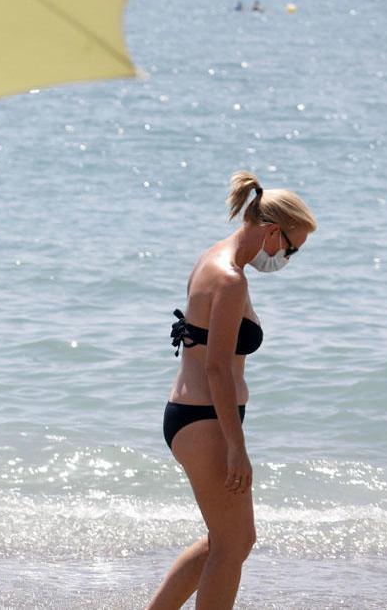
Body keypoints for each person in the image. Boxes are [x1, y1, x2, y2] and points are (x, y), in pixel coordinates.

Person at [147, 171, 317, 610]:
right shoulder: (229, 278)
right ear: (272, 231)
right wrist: (236, 447)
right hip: (204, 418)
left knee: (228, 540)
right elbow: (219, 369)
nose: (287, 259)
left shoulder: (218, 260)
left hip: (199, 414)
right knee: (232, 544)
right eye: (291, 248)